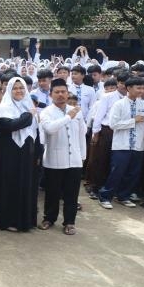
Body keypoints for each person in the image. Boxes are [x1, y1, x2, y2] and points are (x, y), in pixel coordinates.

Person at [39, 79, 87, 235]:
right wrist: (68, 117)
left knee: (71, 194)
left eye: (63, 92)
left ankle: (69, 222)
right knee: (52, 192)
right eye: (57, 92)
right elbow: (50, 129)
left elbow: (81, 134)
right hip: (54, 159)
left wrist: (82, 156)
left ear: (68, 93)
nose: (60, 95)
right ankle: (49, 219)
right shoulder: (46, 112)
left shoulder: (76, 111)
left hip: (74, 159)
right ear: (51, 94)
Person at [99, 77, 144, 209]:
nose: (141, 91)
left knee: (133, 173)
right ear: (129, 88)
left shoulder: (143, 105)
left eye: (142, 88)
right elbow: (113, 124)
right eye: (138, 88)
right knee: (117, 171)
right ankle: (105, 196)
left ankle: (123, 196)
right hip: (122, 145)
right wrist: (133, 121)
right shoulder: (119, 104)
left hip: (138, 145)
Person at [0, 77, 38, 232]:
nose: (19, 91)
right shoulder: (5, 108)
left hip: (26, 153)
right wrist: (28, 115)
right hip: (9, 154)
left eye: (22, 88)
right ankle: (8, 220)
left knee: (26, 184)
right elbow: (11, 126)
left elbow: (34, 132)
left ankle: (25, 220)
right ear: (9, 90)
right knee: (10, 185)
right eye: (15, 88)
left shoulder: (28, 105)